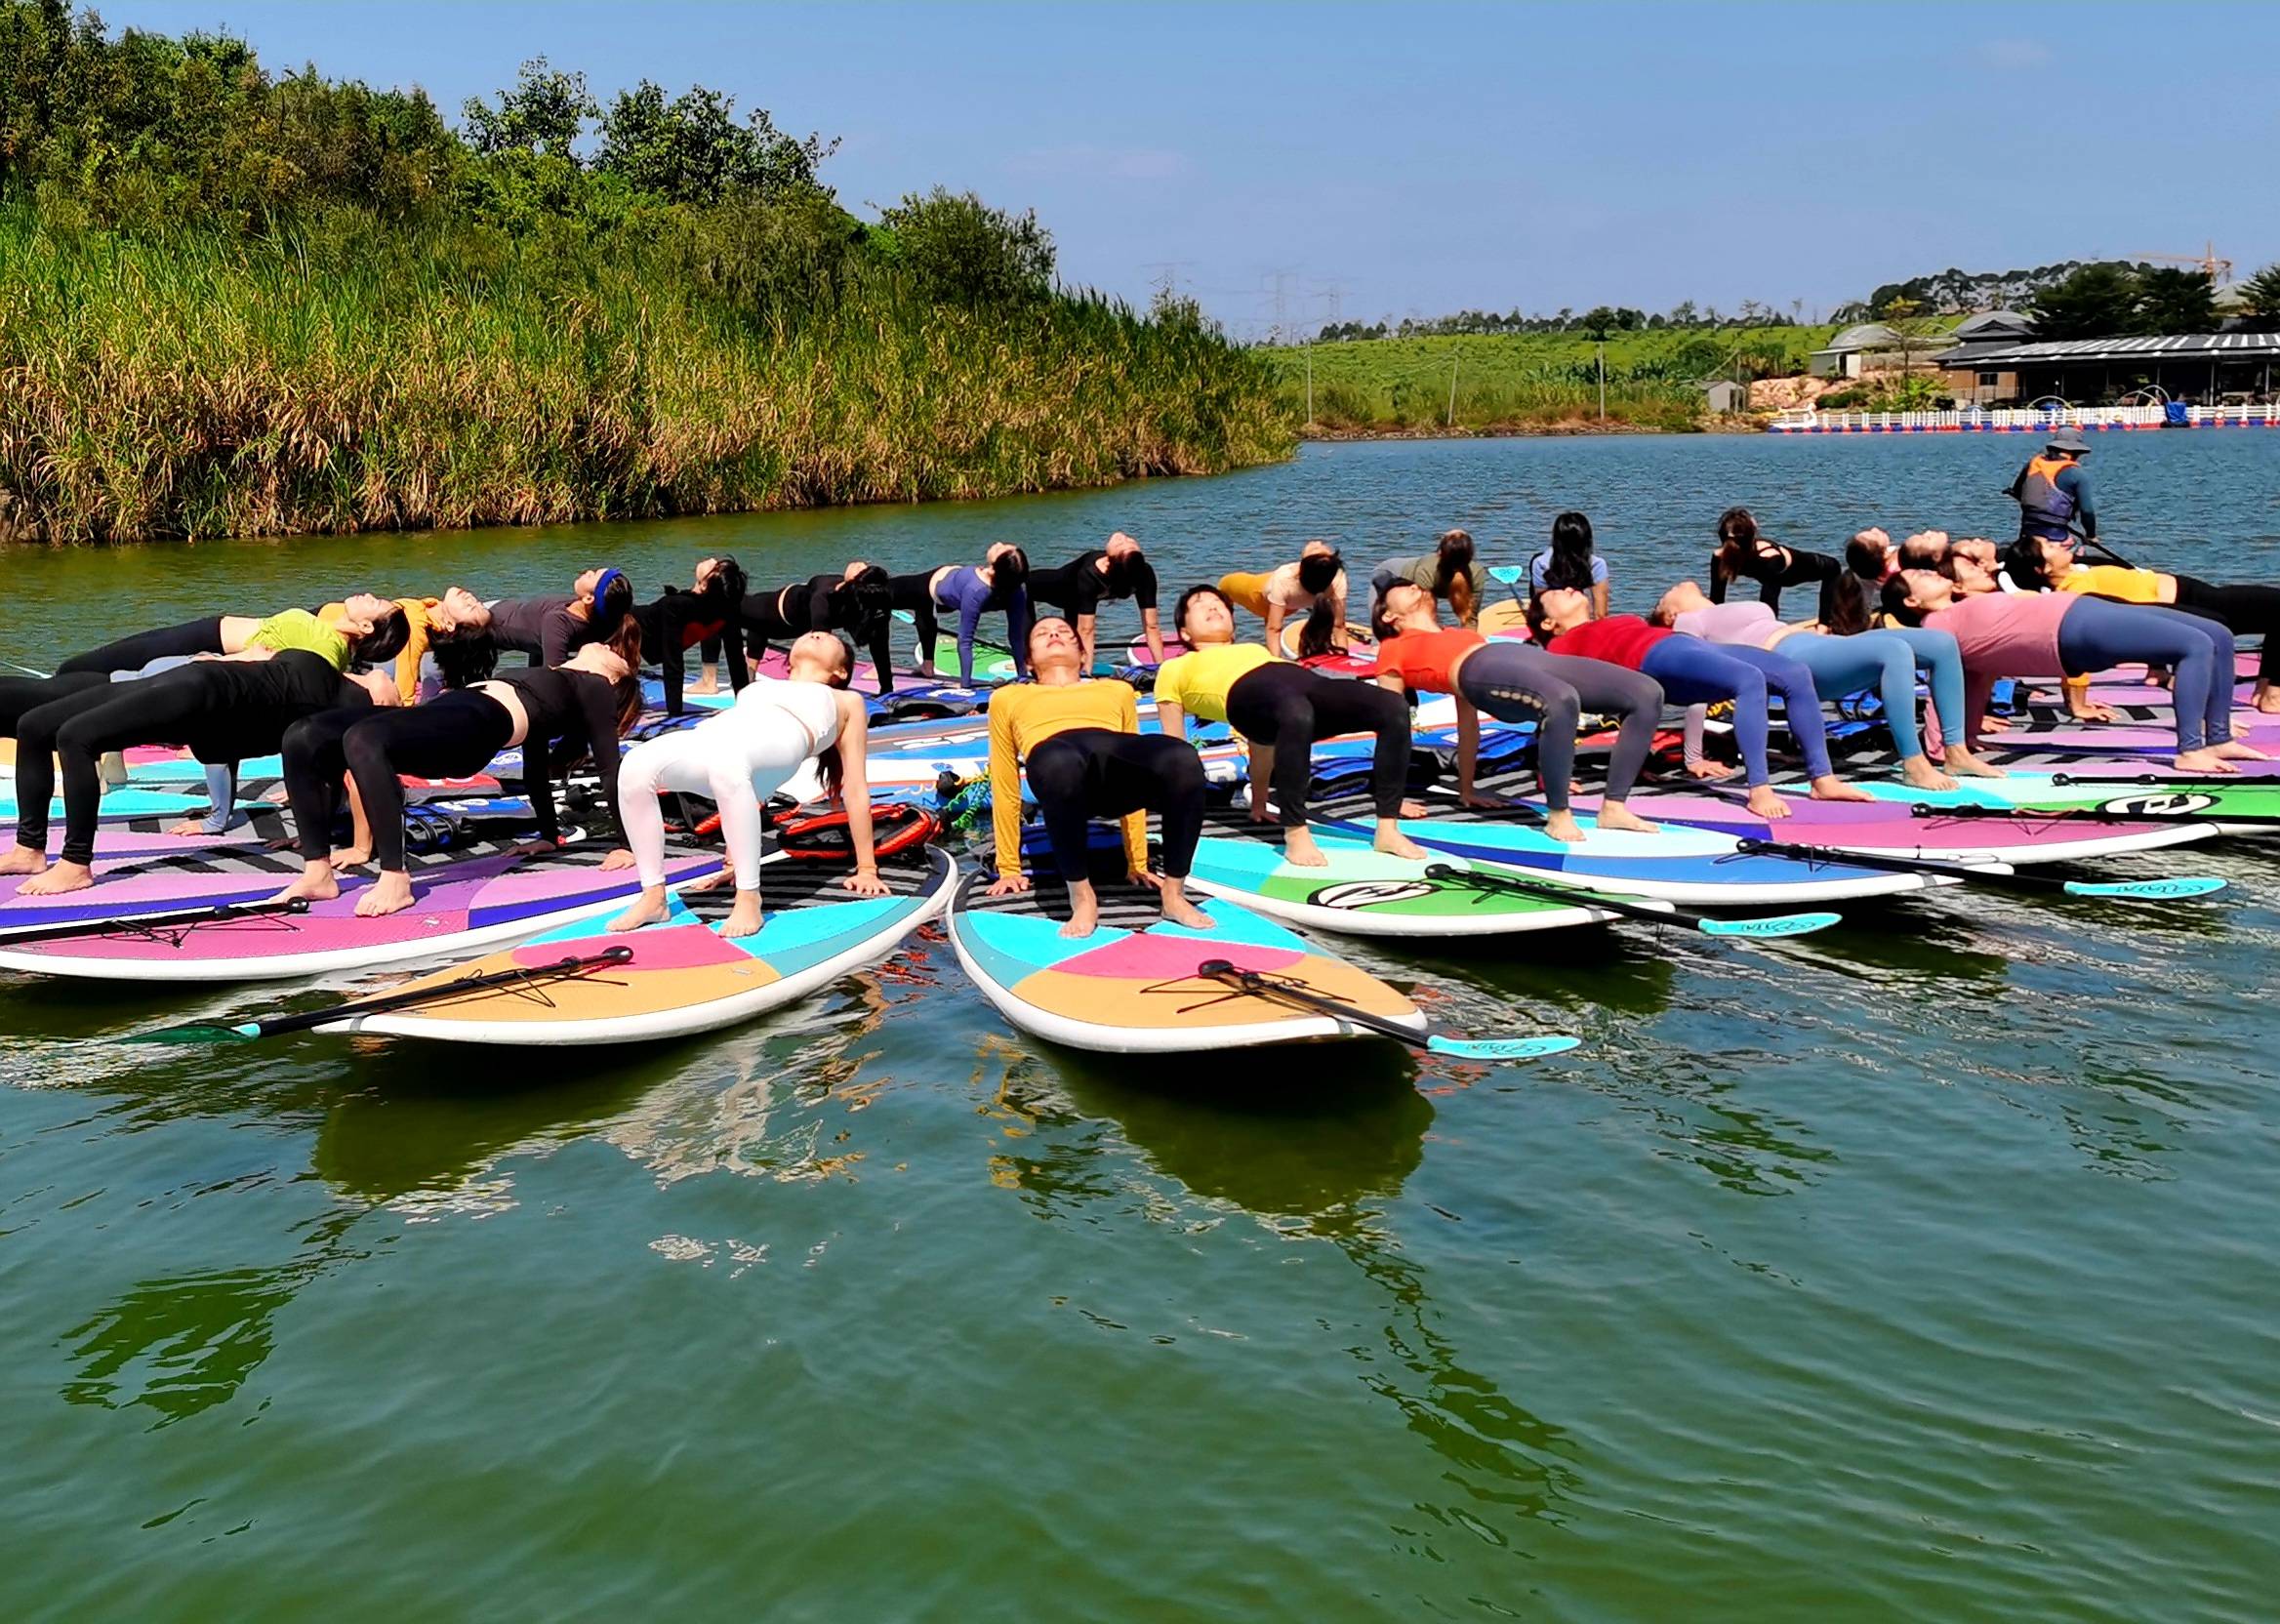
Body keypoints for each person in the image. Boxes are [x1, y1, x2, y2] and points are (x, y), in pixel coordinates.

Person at [269, 624, 643, 917]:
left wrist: (628, 845)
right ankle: (317, 872)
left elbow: (612, 770)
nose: (608, 646)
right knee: (304, 735)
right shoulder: (555, 678)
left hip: (476, 728)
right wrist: (548, 834)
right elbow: (535, 769)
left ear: (614, 679)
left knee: (363, 738)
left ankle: (395, 878)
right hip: (450, 712)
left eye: (616, 654)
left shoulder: (594, 686)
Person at [4, 652, 399, 895]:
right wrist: (356, 846)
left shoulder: (335, 688)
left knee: (63, 733)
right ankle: (32, 851)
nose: (394, 688)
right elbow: (350, 777)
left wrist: (348, 843)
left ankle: (73, 865)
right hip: (194, 691)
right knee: (46, 729)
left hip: (195, 690)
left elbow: (343, 777)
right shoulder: (340, 696)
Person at [610, 630, 887, 938]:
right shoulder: (759, 687)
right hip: (716, 734)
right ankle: (653, 897)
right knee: (635, 766)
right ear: (787, 662)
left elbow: (856, 786)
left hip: (784, 738)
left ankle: (748, 897)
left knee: (729, 766)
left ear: (841, 671)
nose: (816, 634)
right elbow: (746, 796)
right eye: (810, 633)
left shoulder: (847, 700)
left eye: (829, 638)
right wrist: (733, 863)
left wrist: (867, 870)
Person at [1883, 560, 2265, 773]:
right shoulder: (1937, 627)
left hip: (2082, 609)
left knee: (2217, 633)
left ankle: (2220, 738)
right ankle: (2190, 750)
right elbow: (1944, 684)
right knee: (2195, 645)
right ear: (1913, 602)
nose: (1930, 572)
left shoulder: (1961, 609)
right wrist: (1941, 745)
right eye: (1917, 576)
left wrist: (1968, 733)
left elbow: (1977, 677)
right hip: (2068, 631)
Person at [1527, 587, 1872, 819]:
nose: (1569, 587)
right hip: (1655, 658)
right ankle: (1759, 790)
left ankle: (1822, 779)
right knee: (1749, 680)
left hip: (1680, 644)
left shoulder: (1611, 622)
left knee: (1795, 673)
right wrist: (1548, 770)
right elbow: (1552, 705)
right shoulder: (1560, 648)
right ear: (1548, 622)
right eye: (1556, 592)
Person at [1153, 585, 1427, 866]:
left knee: (1392, 708)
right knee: (1294, 711)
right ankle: (1295, 832)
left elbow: (1262, 745)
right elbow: (1176, 748)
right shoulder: (1175, 668)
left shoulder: (1253, 649)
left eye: (1219, 603)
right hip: (1248, 699)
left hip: (1300, 686)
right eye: (1200, 604)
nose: (1213, 606)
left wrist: (1258, 801)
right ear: (1184, 633)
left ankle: (1387, 829)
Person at [1372, 581, 1661, 840]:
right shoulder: (1392, 648)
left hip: (1521, 657)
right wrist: (1391, 801)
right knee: (1561, 700)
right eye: (1400, 587)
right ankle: (1558, 815)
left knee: (1646, 692)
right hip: (1478, 671)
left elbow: (1467, 722)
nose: (1412, 584)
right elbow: (1391, 725)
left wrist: (1467, 789)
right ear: (1388, 615)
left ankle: (1613, 807)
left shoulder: (1462, 634)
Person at [982, 617, 1212, 937]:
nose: (1054, 634)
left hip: (1112, 773)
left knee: (1181, 756)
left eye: (1064, 632)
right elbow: (1004, 779)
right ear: (1029, 661)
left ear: (1083, 654)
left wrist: (1138, 862)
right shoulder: (1007, 698)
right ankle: (1082, 896)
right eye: (1042, 633)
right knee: (1060, 760)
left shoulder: (1117, 690)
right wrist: (1009, 867)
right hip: (1057, 768)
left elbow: (1133, 754)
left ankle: (1173, 895)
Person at [1652, 580, 1999, 791]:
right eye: (1665, 596)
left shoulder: (1721, 608)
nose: (1673, 587)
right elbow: (1697, 676)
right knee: (1894, 650)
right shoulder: (1688, 622)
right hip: (1795, 660)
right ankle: (1914, 762)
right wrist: (1693, 757)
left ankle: (1956, 752)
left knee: (1940, 643)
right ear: (1668, 615)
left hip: (1815, 645)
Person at [2002, 533, 2280, 714]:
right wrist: (2078, 706)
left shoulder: (2077, 571)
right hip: (2197, 605)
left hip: (2197, 595)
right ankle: (2271, 696)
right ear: (2044, 569)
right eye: (2049, 546)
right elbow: (2071, 651)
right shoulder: (2073, 592)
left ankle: (2264, 692)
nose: (2059, 543)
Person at [1821, 533, 2007, 778]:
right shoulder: (1929, 625)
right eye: (1925, 574)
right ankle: (1929, 756)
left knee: (1955, 660)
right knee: (1929, 650)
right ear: (1912, 599)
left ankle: (1954, 747)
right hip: (1846, 659)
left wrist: (1972, 724)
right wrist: (1940, 743)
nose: (1936, 575)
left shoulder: (1949, 604)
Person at [55, 595, 408, 677]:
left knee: (90, 665)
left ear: (366, 627)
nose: (367, 595)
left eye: (375, 603)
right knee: (115, 658)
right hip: (206, 629)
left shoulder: (327, 647)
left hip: (205, 645)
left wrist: (225, 661)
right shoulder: (332, 625)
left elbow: (297, 678)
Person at [725, 564, 896, 691]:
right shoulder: (829, 599)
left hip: (782, 621)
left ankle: (729, 679)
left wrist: (886, 690)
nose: (860, 564)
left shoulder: (865, 605)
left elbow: (878, 647)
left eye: (863, 569)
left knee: (722, 606)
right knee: (724, 606)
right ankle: (736, 676)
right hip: (772, 611)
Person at [885, 544, 1033, 683]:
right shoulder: (1016, 589)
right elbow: (1016, 638)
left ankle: (880, 667)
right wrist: (1022, 676)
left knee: (882, 590)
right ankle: (927, 666)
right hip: (949, 597)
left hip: (926, 590)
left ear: (995, 568)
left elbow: (965, 641)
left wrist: (965, 686)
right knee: (924, 613)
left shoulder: (975, 590)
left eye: (1001, 548)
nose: (999, 543)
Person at [1026, 531, 1164, 669]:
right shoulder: (1097, 573)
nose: (1122, 537)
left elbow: (1151, 626)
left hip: (1076, 600)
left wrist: (1162, 668)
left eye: (1123, 543)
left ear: (1111, 559)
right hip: (1050, 588)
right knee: (1023, 588)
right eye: (1129, 540)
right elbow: (1087, 630)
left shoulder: (1140, 574)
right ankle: (1027, 656)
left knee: (1077, 635)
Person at [638, 555, 749, 717]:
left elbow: (673, 663)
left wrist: (674, 714)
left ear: (704, 584)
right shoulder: (724, 608)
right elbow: (736, 662)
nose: (712, 559)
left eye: (716, 566)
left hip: (631, 633)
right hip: (637, 632)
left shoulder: (677, 606)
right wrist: (746, 704)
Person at [1218, 540, 1349, 659]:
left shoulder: (1285, 578)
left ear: (1301, 567)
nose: (1318, 543)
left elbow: (1274, 629)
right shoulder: (1336, 576)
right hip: (1272, 594)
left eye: (1316, 549)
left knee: (1224, 583)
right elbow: (1339, 626)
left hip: (1258, 595)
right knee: (1222, 591)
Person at [486, 568, 633, 669]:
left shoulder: (559, 622)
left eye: (592, 575)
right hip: (493, 617)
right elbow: (543, 644)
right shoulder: (605, 620)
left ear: (589, 598)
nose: (588, 571)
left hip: (486, 624)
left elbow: (553, 674)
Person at [1709, 507, 1843, 619]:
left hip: (1793, 572)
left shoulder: (1770, 558)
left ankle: (1825, 624)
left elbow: (1769, 609)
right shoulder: (1720, 557)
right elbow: (1716, 603)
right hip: (1772, 575)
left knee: (1833, 568)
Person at [1367, 529, 1490, 629]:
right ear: (1471, 555)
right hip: (1388, 574)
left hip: (1419, 574)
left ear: (1439, 553)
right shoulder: (1426, 571)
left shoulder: (1476, 574)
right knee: (1384, 627)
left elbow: (1470, 620)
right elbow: (1421, 618)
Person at [2009, 426, 2097, 548]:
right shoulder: (2076, 474)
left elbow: (2017, 491)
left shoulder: (2033, 464)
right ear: (2076, 453)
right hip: (2056, 538)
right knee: (2076, 545)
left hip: (2027, 535)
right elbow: (2087, 511)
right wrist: (2091, 536)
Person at [1529, 510, 1611, 620]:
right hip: (1561, 605)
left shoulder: (1540, 563)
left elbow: (1542, 606)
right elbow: (1601, 614)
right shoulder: (1597, 564)